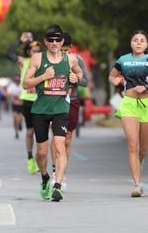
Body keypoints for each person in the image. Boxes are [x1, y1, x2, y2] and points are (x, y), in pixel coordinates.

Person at [23, 24, 83, 202]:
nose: (55, 43)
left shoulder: (70, 59)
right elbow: (25, 84)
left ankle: (57, 186)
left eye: (58, 39)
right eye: (51, 40)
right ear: (45, 41)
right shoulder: (37, 59)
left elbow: (80, 75)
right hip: (40, 110)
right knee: (41, 153)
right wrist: (43, 77)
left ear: (62, 41)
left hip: (60, 109)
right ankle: (44, 178)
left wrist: (76, 78)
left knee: (59, 146)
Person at [108, 30, 148, 197]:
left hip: (147, 103)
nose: (138, 43)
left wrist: (146, 88)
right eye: (135, 40)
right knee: (133, 146)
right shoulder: (123, 60)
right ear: (131, 43)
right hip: (129, 104)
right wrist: (115, 80)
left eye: (142, 40)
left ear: (147, 44)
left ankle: (141, 161)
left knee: (143, 149)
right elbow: (112, 75)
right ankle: (137, 185)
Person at [49, 32, 89, 190]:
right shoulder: (48, 60)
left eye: (65, 50)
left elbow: (85, 82)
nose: (62, 52)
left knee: (67, 139)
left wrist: (76, 79)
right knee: (57, 137)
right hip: (53, 101)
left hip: (71, 101)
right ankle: (55, 172)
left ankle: (62, 172)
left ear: (70, 48)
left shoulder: (77, 60)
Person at [6, 33, 41, 174]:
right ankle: (30, 158)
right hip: (27, 100)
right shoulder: (23, 61)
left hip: (41, 99)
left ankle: (40, 158)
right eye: (34, 51)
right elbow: (8, 53)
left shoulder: (43, 61)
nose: (37, 53)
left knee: (41, 132)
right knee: (30, 131)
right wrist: (20, 41)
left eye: (39, 51)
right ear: (28, 52)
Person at [6, 75, 24, 139]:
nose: (17, 82)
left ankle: (20, 124)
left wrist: (20, 98)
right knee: (15, 118)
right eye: (16, 81)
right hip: (14, 104)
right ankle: (16, 132)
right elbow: (7, 94)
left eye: (18, 81)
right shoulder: (11, 86)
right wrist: (13, 95)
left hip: (21, 104)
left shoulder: (22, 85)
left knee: (21, 117)